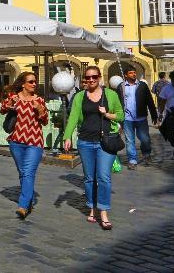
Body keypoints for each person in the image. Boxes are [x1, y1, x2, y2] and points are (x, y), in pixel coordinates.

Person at [63, 65, 124, 231]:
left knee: (103, 177)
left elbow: (121, 114)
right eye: (87, 78)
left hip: (106, 142)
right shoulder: (79, 96)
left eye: (94, 77)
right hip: (85, 142)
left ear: (99, 78)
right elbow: (74, 117)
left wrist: (106, 114)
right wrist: (67, 136)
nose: (91, 80)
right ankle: (91, 207)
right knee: (89, 178)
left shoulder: (110, 95)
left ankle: (103, 212)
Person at [0, 71, 48, 219]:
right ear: (23, 84)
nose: (34, 84)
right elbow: (2, 110)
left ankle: (22, 205)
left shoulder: (39, 100)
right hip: (16, 141)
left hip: (35, 142)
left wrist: (40, 110)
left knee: (27, 172)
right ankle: (29, 200)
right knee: (23, 172)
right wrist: (10, 103)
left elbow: (45, 121)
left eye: (35, 81)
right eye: (31, 81)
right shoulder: (14, 98)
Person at [117, 69, 158, 169]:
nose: (134, 74)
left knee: (145, 139)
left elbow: (149, 100)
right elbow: (117, 103)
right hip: (127, 118)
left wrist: (154, 115)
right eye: (130, 72)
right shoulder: (121, 87)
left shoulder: (142, 85)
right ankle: (132, 160)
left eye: (134, 72)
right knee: (129, 140)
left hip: (141, 117)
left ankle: (147, 153)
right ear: (126, 75)